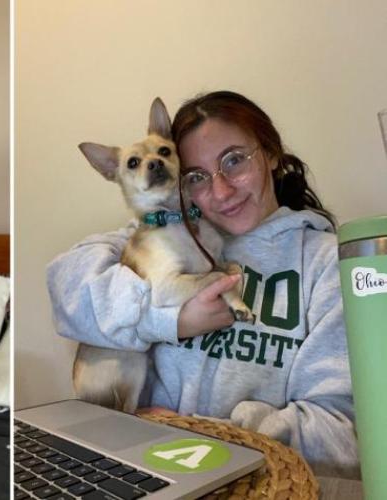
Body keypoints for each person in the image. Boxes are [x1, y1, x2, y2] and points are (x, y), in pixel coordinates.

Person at [47, 90, 359, 478]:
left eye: (234, 160)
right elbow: (65, 289)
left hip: (262, 478)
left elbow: (343, 437)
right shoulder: (164, 233)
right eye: (197, 176)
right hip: (141, 467)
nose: (222, 190)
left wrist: (214, 438)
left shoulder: (327, 262)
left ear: (272, 153)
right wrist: (169, 319)